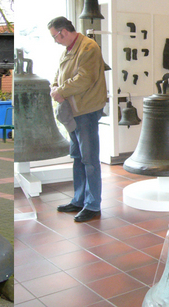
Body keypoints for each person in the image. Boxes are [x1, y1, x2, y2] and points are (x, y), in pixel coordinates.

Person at [47, 16, 109, 223]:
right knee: (77, 157)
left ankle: (93, 205)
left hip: (86, 110)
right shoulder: (69, 50)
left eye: (55, 36)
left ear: (63, 32)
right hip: (74, 110)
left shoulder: (88, 48)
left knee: (89, 159)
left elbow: (85, 78)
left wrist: (61, 91)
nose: (55, 41)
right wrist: (56, 88)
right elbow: (59, 74)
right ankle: (79, 199)